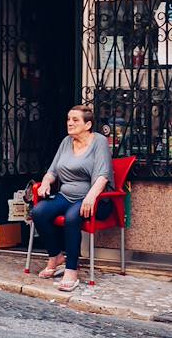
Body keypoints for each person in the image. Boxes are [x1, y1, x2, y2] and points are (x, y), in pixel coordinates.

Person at [31, 105, 115, 291]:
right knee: (38, 212)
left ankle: (71, 270)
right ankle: (56, 257)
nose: (70, 123)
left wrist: (91, 197)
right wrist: (46, 182)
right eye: (69, 119)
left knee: (71, 217)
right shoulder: (66, 142)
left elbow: (103, 175)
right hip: (66, 195)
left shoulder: (99, 142)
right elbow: (52, 171)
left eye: (75, 120)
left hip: (96, 199)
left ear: (88, 125)